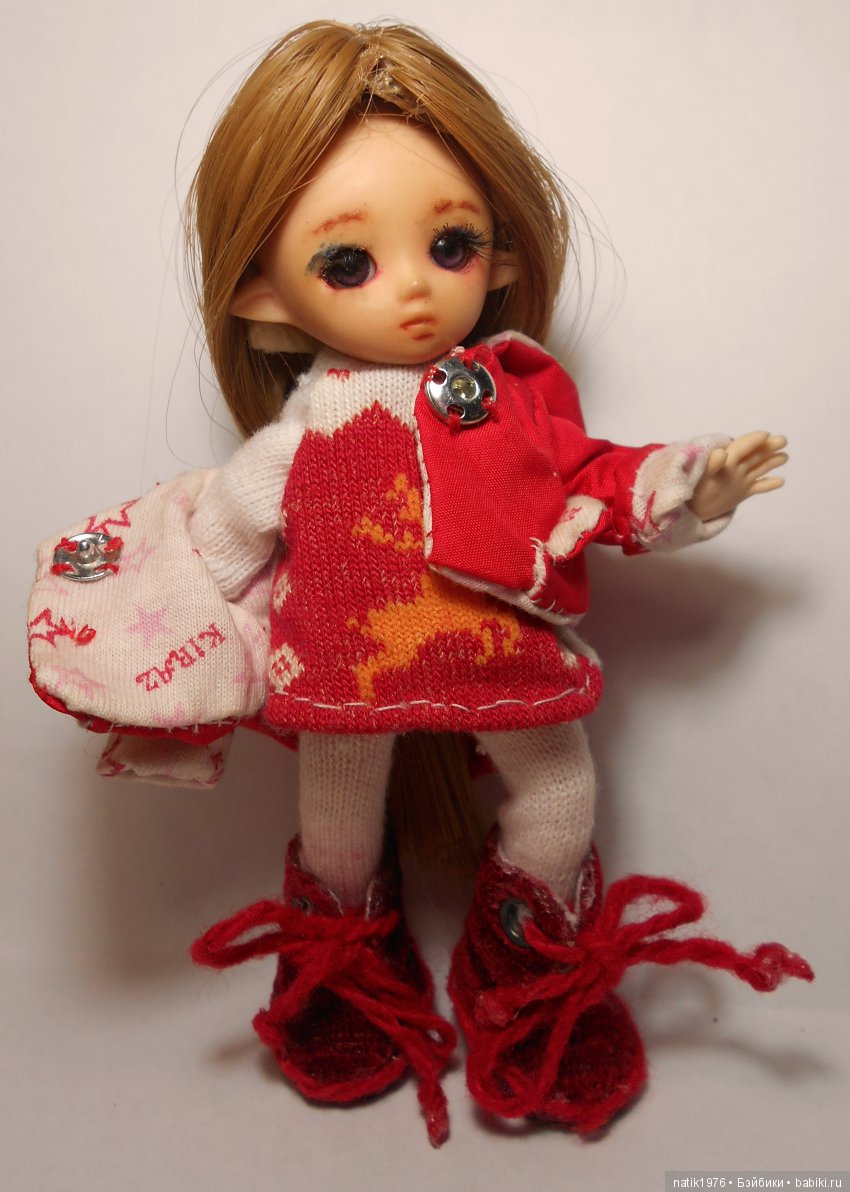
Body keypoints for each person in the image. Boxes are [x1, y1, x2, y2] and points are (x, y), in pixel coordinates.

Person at [31, 20, 812, 1147]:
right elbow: (222, 549)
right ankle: (346, 961)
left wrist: (690, 483)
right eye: (347, 263)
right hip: (346, 678)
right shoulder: (295, 444)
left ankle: (527, 962)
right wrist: (160, 644)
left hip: (505, 655)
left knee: (559, 801)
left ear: (501, 256)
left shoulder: (510, 403)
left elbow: (588, 478)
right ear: (263, 296)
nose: (412, 291)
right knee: (338, 836)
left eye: (451, 244)